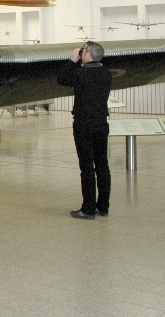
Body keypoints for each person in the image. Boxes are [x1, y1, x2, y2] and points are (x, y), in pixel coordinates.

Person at [57, 41, 111, 220]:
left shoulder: (80, 74)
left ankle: (88, 209)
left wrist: (72, 60)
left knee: (87, 166)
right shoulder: (106, 73)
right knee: (102, 164)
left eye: (84, 51)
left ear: (88, 55)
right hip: (101, 124)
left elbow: (61, 79)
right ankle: (103, 206)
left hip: (84, 125)